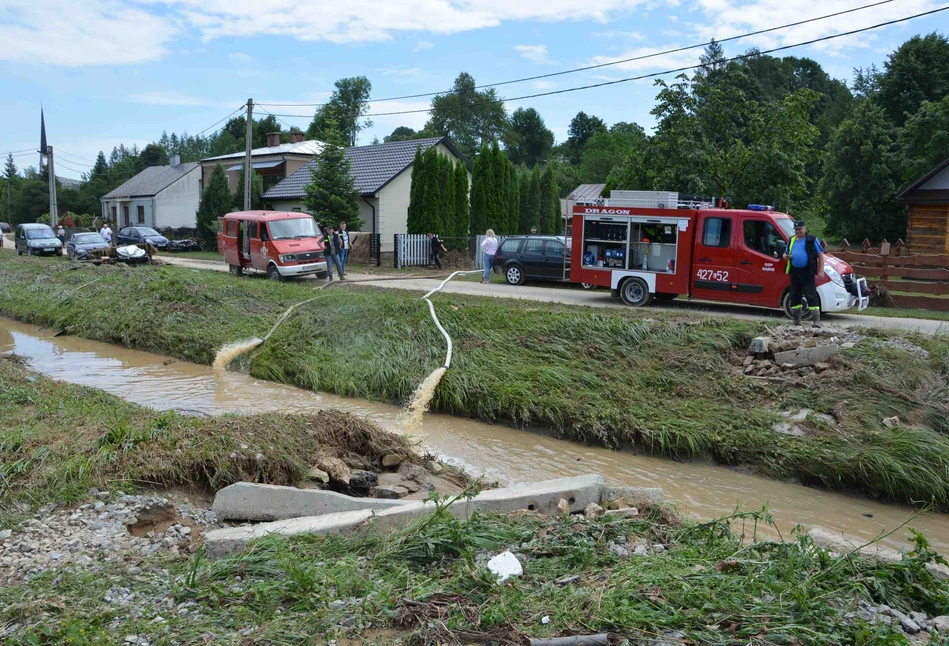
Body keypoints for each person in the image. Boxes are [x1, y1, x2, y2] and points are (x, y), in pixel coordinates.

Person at [782, 219, 825, 327]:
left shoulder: (812, 239)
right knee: (794, 295)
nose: (798, 231)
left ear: (805, 229)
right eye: (796, 229)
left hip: (808, 272)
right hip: (794, 272)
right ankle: (796, 321)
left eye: (800, 229)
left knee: (811, 295)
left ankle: (816, 321)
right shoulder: (791, 240)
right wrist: (786, 257)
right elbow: (784, 254)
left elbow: (821, 255)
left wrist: (821, 271)